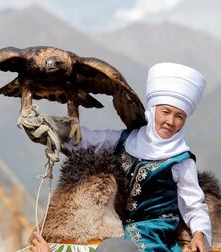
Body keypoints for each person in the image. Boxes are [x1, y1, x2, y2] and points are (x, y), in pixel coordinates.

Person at [28, 62, 212, 252]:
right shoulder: (124, 140)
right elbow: (87, 140)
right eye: (165, 112)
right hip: (115, 228)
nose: (170, 121)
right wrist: (52, 129)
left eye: (179, 116)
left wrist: (200, 233)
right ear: (153, 109)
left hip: (154, 238)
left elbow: (193, 205)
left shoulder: (182, 160)